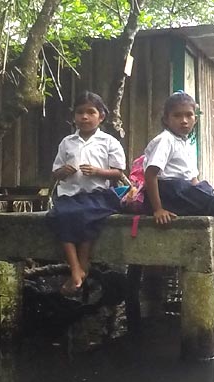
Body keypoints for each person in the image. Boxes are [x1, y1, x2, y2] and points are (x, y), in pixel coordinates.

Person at [142, 92, 214, 299]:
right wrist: (158, 209)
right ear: (166, 119)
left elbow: (193, 179)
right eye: (177, 116)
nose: (184, 120)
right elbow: (150, 175)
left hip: (181, 189)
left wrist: (205, 194)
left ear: (195, 118)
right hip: (170, 192)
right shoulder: (165, 140)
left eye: (189, 115)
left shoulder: (183, 142)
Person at [46, 91, 127, 295]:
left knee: (87, 216)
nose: (84, 117)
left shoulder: (109, 142)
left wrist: (98, 171)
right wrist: (63, 171)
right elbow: (55, 172)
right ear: (73, 116)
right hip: (70, 195)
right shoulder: (67, 142)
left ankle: (81, 267)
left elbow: (118, 172)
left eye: (91, 112)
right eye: (80, 112)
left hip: (97, 195)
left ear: (101, 116)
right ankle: (76, 268)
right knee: (61, 216)